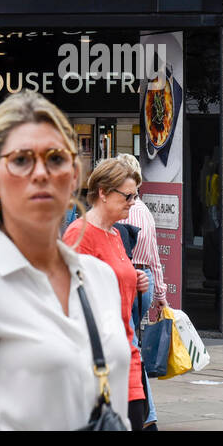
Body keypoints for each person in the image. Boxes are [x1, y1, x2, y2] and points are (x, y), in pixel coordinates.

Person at [0, 91, 130, 430]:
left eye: (56, 158)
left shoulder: (99, 278)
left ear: (75, 175)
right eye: (20, 160)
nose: (41, 173)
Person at [63, 157, 149, 430]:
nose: (132, 201)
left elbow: (113, 285)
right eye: (127, 195)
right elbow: (70, 300)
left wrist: (137, 280)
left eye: (135, 195)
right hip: (97, 364)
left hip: (127, 354)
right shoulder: (80, 234)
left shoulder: (114, 234)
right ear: (102, 192)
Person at [116, 153, 167, 431]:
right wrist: (160, 295)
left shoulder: (126, 212)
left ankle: (147, 415)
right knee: (132, 345)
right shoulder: (145, 211)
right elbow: (156, 259)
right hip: (145, 278)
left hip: (132, 279)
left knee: (131, 346)